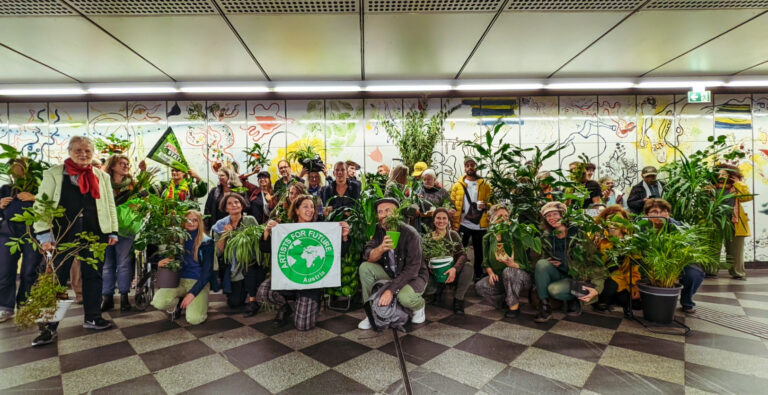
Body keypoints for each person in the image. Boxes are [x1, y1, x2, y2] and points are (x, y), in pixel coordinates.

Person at [32, 136, 118, 346]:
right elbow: (41, 206)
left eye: (88, 151)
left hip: (96, 232)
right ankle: (48, 328)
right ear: (69, 151)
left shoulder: (101, 176)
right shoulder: (54, 174)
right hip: (63, 235)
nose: (83, 154)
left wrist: (113, 231)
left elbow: (109, 205)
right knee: (57, 281)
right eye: (78, 150)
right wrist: (44, 234)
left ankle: (92, 316)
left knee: (94, 276)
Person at [257, 195, 350, 330]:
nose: (310, 210)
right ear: (296, 210)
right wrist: (267, 232)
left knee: (303, 326)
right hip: (289, 278)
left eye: (312, 207)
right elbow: (265, 248)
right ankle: (285, 307)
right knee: (263, 292)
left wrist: (344, 236)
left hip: (311, 284)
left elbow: (338, 253)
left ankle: (313, 303)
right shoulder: (285, 229)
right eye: (305, 206)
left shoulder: (322, 229)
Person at [358, 198, 428, 330]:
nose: (383, 215)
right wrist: (381, 248)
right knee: (365, 268)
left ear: (397, 214)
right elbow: (368, 254)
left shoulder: (411, 234)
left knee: (405, 297)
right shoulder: (378, 230)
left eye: (388, 210)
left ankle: (419, 306)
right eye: (380, 212)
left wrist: (390, 290)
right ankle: (371, 314)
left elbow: (412, 269)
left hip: (413, 277)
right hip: (390, 273)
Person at [150, 210, 216, 324]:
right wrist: (159, 263)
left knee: (194, 319)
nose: (191, 222)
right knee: (158, 302)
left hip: (198, 282)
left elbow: (207, 271)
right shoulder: (177, 239)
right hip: (178, 281)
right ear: (183, 222)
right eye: (188, 220)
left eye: (195, 220)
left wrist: (192, 294)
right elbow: (163, 258)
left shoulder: (207, 242)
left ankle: (200, 301)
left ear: (199, 222)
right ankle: (178, 303)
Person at [643, 198, 705, 313]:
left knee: (694, 273)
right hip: (649, 264)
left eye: (663, 211)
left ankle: (687, 301)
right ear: (647, 215)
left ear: (668, 213)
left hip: (675, 263)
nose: (660, 215)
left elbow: (689, 247)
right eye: (655, 212)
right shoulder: (641, 227)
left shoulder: (678, 227)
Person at [0, 159, 41, 322]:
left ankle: (25, 304)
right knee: (4, 270)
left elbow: (49, 207)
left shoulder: (37, 186)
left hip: (32, 231)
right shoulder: (5, 189)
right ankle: (5, 307)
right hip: (7, 232)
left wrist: (35, 198)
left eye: (20, 167)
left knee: (30, 269)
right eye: (13, 168)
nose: (16, 170)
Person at [475, 205, 533, 318]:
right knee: (480, 286)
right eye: (500, 216)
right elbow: (485, 261)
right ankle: (505, 301)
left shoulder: (515, 236)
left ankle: (514, 308)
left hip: (520, 277)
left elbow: (526, 265)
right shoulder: (487, 237)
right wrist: (490, 273)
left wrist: (513, 264)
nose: (504, 218)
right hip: (501, 278)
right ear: (491, 219)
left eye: (506, 216)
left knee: (509, 271)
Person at [213, 193, 266, 316]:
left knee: (249, 268)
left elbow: (259, 241)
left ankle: (253, 299)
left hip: (251, 263)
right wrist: (225, 235)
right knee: (234, 302)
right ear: (226, 208)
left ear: (242, 205)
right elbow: (218, 252)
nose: (234, 205)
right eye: (230, 203)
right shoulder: (220, 225)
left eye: (236, 202)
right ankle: (244, 290)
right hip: (233, 267)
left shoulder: (250, 220)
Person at [101, 154, 137, 312]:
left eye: (127, 164)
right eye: (122, 163)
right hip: (105, 228)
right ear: (112, 166)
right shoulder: (103, 183)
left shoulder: (133, 186)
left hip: (125, 229)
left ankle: (124, 296)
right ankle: (107, 297)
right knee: (107, 265)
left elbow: (143, 204)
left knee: (124, 264)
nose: (126, 166)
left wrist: (137, 207)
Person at [533, 201, 580, 323]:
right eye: (548, 216)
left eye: (555, 214)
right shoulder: (547, 236)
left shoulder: (577, 232)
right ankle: (544, 307)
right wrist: (548, 260)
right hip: (558, 274)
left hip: (577, 276)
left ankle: (574, 299)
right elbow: (542, 261)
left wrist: (564, 264)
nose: (551, 218)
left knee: (554, 290)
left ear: (563, 215)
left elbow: (586, 261)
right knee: (541, 263)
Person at [590, 206, 640, 318]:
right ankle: (603, 299)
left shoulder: (631, 240)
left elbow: (633, 267)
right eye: (609, 219)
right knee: (611, 288)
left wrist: (634, 286)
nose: (613, 222)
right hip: (603, 276)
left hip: (623, 277)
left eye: (617, 219)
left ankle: (612, 298)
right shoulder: (599, 238)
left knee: (632, 301)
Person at [423, 208, 472, 314]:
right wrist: (429, 267)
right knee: (428, 288)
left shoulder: (453, 235)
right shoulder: (427, 238)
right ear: (434, 220)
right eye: (438, 218)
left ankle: (458, 299)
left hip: (452, 272)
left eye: (444, 218)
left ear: (448, 220)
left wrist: (454, 269)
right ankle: (436, 291)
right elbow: (423, 258)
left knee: (468, 267)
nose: (441, 221)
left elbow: (462, 254)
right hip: (434, 274)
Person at [450, 158, 492, 280]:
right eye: (467, 165)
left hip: (480, 224)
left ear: (476, 167)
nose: (470, 168)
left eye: (472, 165)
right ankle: (459, 273)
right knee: (460, 250)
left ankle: (478, 273)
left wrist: (487, 206)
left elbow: (492, 202)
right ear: (464, 168)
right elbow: (452, 201)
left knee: (479, 250)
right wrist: (452, 209)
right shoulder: (458, 185)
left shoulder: (485, 185)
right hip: (463, 223)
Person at [716, 165, 752, 280]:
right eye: (719, 174)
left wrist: (738, 183)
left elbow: (747, 198)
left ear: (731, 176)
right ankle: (709, 271)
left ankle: (737, 272)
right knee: (713, 247)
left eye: (724, 174)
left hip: (734, 221)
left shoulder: (736, 187)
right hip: (715, 221)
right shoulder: (712, 187)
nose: (721, 176)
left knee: (736, 249)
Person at [204, 167, 245, 231]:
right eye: (219, 176)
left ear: (229, 176)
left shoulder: (240, 190)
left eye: (222, 175)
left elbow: (247, 206)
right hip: (218, 225)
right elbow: (207, 209)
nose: (220, 177)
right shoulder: (214, 191)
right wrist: (206, 227)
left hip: (236, 225)